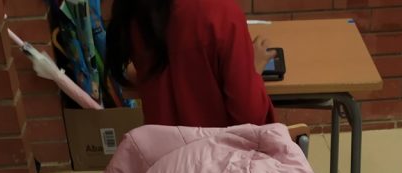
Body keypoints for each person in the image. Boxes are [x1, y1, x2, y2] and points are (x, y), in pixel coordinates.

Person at [105, 0, 276, 127]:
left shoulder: (138, 9)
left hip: (161, 157)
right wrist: (252, 69)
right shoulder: (222, 12)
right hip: (219, 157)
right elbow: (250, 118)